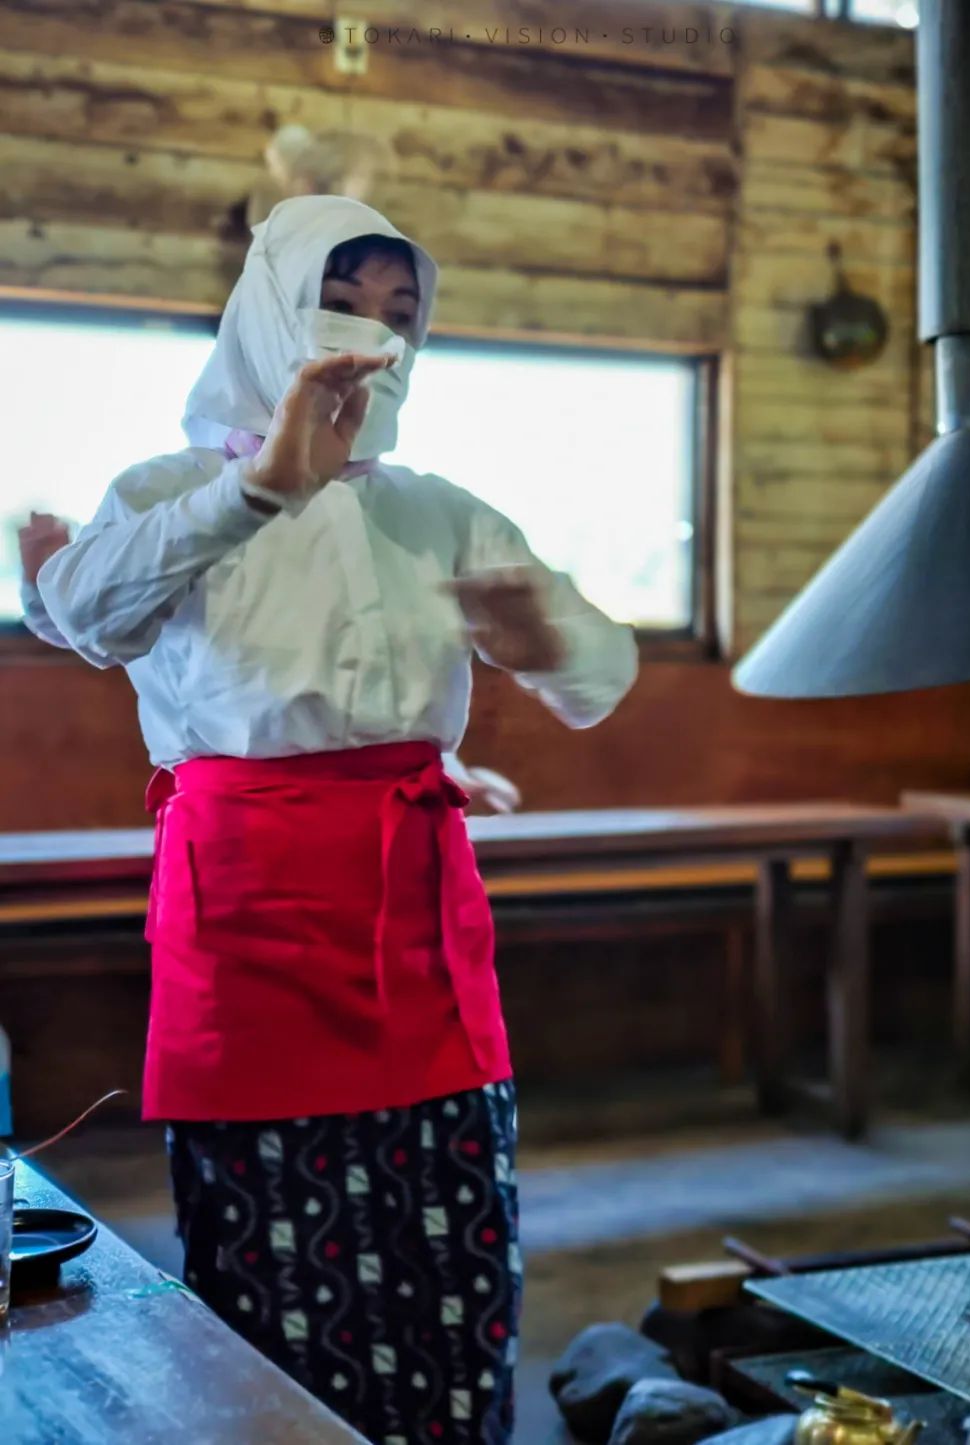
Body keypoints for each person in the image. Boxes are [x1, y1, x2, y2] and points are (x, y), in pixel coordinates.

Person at [28, 194, 637, 1443]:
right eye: (339, 303)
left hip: (416, 903)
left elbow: (599, 669)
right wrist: (260, 485)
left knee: (450, 1244)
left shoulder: (436, 509)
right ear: (265, 315)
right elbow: (77, 613)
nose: (371, 338)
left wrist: (544, 643)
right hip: (245, 913)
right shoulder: (167, 489)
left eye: (401, 316)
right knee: (273, 1267)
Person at [19, 513, 522, 815]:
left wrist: (455, 777)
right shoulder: (181, 512)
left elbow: (378, 708)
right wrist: (49, 586)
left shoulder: (401, 533)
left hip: (397, 840)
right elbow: (94, 628)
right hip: (240, 839)